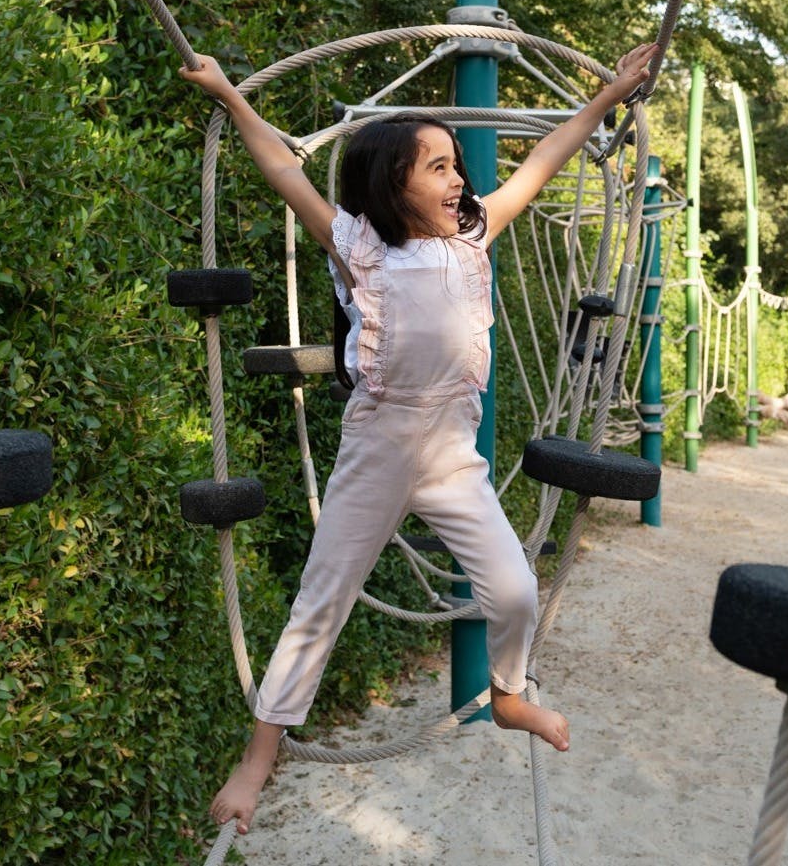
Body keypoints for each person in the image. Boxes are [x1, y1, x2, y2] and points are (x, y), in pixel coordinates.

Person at [180, 40, 659, 835]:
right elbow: (284, 170)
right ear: (390, 183)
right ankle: (259, 757)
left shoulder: (474, 237)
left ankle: (507, 694)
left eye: (455, 164)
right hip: (380, 448)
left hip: (451, 455)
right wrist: (231, 96)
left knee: (515, 589)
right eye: (438, 167)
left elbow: (544, 158)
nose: (458, 178)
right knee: (321, 601)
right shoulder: (359, 247)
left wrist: (607, 96)